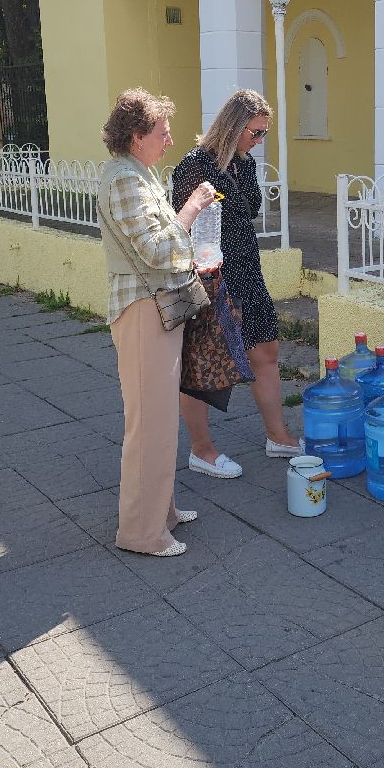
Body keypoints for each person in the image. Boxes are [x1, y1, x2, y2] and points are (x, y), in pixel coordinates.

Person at [98, 88, 218, 557]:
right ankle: (142, 534)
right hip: (144, 309)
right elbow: (156, 248)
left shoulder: (136, 172)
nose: (170, 140)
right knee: (149, 423)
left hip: (154, 307)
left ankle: (160, 511)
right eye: (162, 132)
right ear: (136, 136)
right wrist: (192, 208)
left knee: (161, 417)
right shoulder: (126, 179)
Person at [170, 89, 303, 478]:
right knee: (202, 365)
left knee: (266, 349)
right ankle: (202, 450)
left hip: (247, 267)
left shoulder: (244, 164)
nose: (259, 141)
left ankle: (278, 436)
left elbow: (249, 212)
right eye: (254, 132)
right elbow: (182, 223)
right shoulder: (196, 165)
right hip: (209, 275)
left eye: (263, 134)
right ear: (232, 127)